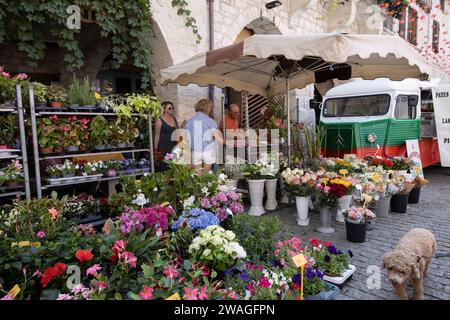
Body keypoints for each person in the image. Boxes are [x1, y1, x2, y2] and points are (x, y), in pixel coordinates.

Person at [185, 99, 223, 175]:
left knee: (198, 176)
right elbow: (218, 138)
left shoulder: (189, 122)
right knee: (206, 175)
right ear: (208, 108)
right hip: (208, 151)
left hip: (195, 151)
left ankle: (199, 186)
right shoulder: (210, 121)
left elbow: (187, 140)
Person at [154, 101, 179, 171]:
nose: (171, 109)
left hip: (173, 146)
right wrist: (155, 149)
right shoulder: (159, 120)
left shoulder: (174, 119)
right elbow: (157, 135)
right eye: (169, 108)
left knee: (174, 166)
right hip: (163, 147)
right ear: (164, 109)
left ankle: (172, 181)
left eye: (172, 108)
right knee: (164, 166)